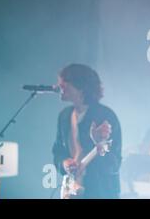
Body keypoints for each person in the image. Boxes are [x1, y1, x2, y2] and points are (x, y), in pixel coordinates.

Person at [52, 63, 122, 198]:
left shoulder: (105, 116)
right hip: (72, 191)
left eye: (65, 81)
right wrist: (64, 163)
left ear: (81, 87)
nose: (59, 86)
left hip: (100, 192)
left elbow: (113, 165)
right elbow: (57, 151)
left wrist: (99, 145)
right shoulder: (65, 116)